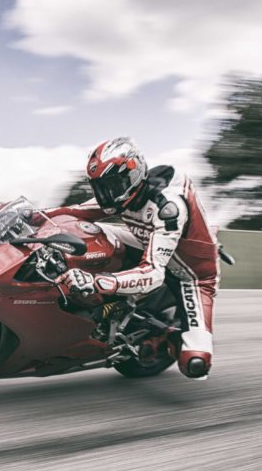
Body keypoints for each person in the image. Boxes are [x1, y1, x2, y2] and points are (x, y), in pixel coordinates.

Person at [47, 137, 220, 379]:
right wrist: (31, 215)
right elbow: (75, 211)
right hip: (144, 241)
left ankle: (168, 339)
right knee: (84, 233)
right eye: (100, 186)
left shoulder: (167, 208)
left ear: (134, 174)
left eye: (113, 184)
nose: (107, 193)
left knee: (195, 364)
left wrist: (99, 282)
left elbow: (153, 273)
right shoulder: (122, 194)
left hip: (189, 273)